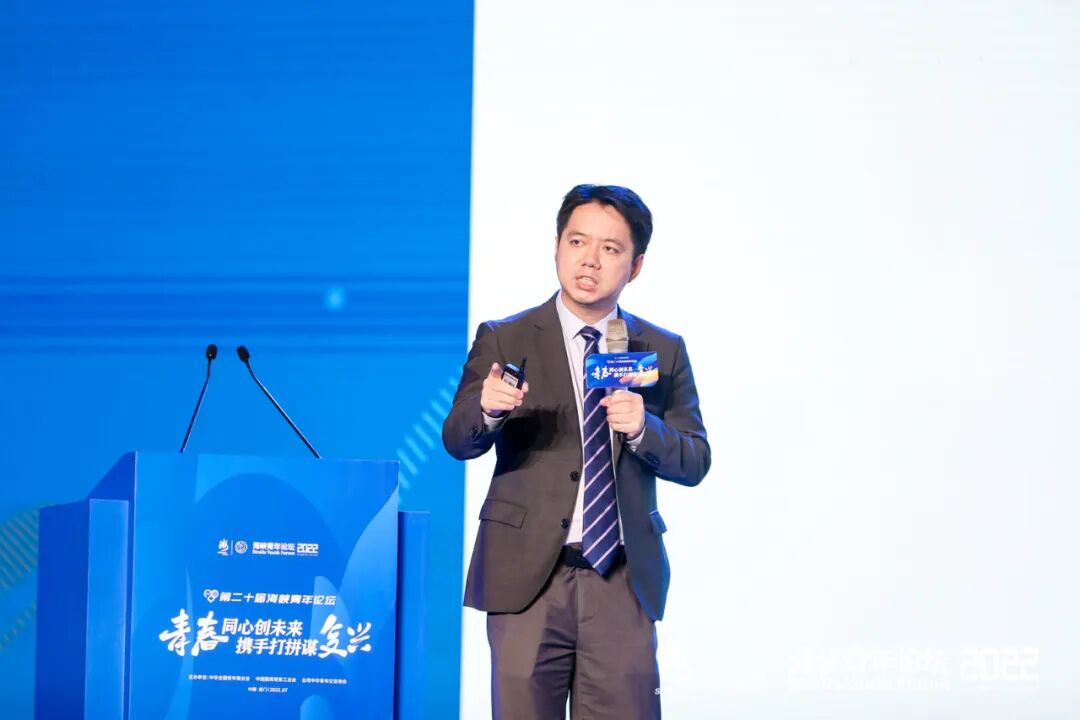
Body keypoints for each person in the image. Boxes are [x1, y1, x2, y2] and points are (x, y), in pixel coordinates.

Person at [443, 184, 710, 719]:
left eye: (610, 249)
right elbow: (457, 439)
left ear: (636, 266)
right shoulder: (506, 336)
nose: (589, 259)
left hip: (621, 579)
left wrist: (645, 430)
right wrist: (488, 410)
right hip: (527, 580)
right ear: (557, 247)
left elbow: (695, 459)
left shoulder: (661, 349)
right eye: (577, 241)